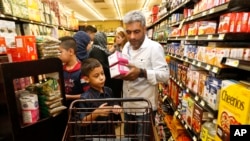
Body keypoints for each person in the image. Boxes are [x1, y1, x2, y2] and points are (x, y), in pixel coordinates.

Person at [121, 10, 169, 140]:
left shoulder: (154, 48)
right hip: (127, 104)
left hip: (144, 108)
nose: (132, 37)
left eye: (136, 32)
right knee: (129, 138)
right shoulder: (126, 46)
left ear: (144, 29)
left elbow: (165, 75)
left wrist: (141, 72)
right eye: (128, 32)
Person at [79, 58, 122, 138]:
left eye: (102, 74)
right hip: (94, 136)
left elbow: (114, 102)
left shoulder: (108, 90)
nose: (101, 78)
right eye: (96, 76)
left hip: (110, 133)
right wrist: (97, 112)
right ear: (86, 79)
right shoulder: (85, 98)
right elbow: (83, 122)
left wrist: (116, 106)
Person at [88, 32, 123, 99]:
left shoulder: (99, 49)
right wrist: (114, 69)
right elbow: (102, 66)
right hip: (108, 80)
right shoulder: (97, 51)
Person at [58, 36, 86, 107]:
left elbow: (87, 94)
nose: (58, 55)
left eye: (60, 52)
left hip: (79, 109)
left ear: (71, 51)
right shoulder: (61, 69)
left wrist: (68, 97)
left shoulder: (82, 70)